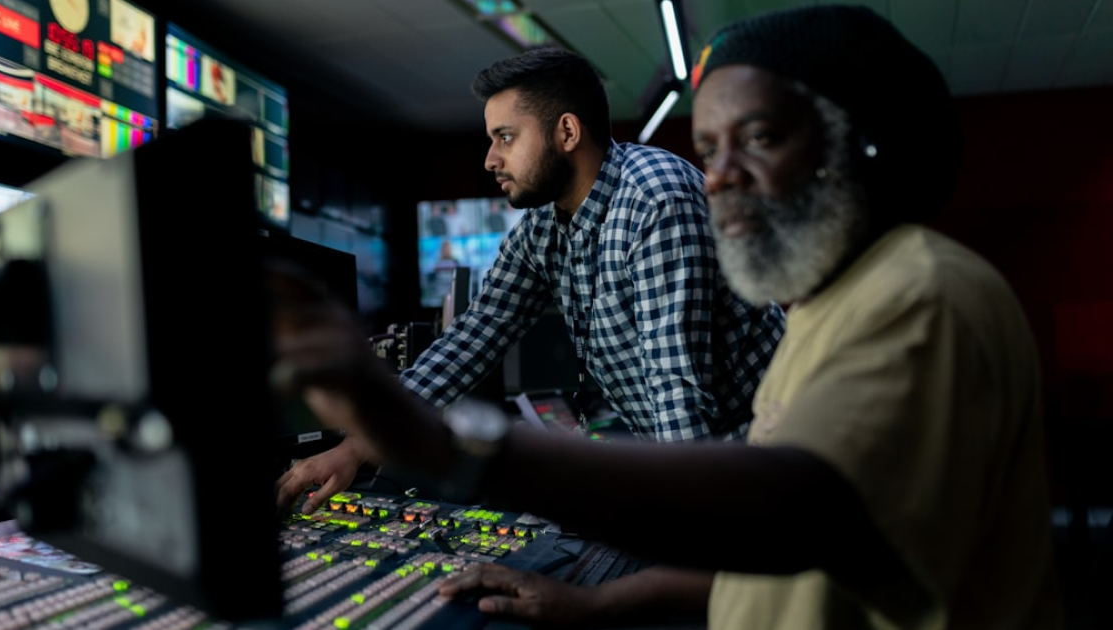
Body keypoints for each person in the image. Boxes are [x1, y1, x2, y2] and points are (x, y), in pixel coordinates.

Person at [270, 5, 1065, 629]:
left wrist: (453, 447)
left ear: (858, 144)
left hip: (696, 484)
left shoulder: (919, 294)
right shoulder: (830, 310)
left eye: (754, 139)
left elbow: (760, 487)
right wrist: (358, 444)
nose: (714, 180)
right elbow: (478, 334)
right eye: (710, 147)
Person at [276, 46, 785, 514]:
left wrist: (687, 541)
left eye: (506, 137)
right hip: (698, 466)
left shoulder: (654, 199)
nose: (490, 160)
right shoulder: (545, 226)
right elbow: (474, 337)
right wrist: (356, 448)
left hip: (759, 461)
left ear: (566, 132)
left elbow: (679, 393)